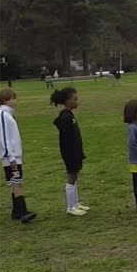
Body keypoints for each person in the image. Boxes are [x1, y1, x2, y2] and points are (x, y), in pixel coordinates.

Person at [0, 89, 37, 223]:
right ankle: (22, 211)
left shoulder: (8, 115)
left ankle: (16, 211)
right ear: (5, 100)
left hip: (14, 155)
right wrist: (11, 156)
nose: (15, 101)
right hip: (10, 156)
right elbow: (4, 137)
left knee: (16, 182)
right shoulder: (3, 115)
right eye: (13, 99)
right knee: (17, 183)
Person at [51, 87, 89, 216]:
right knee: (71, 177)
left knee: (75, 176)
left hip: (75, 152)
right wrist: (72, 154)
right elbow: (66, 140)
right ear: (67, 101)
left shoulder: (70, 115)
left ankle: (76, 203)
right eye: (75, 99)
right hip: (70, 154)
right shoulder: (66, 118)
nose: (77, 102)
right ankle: (70, 207)